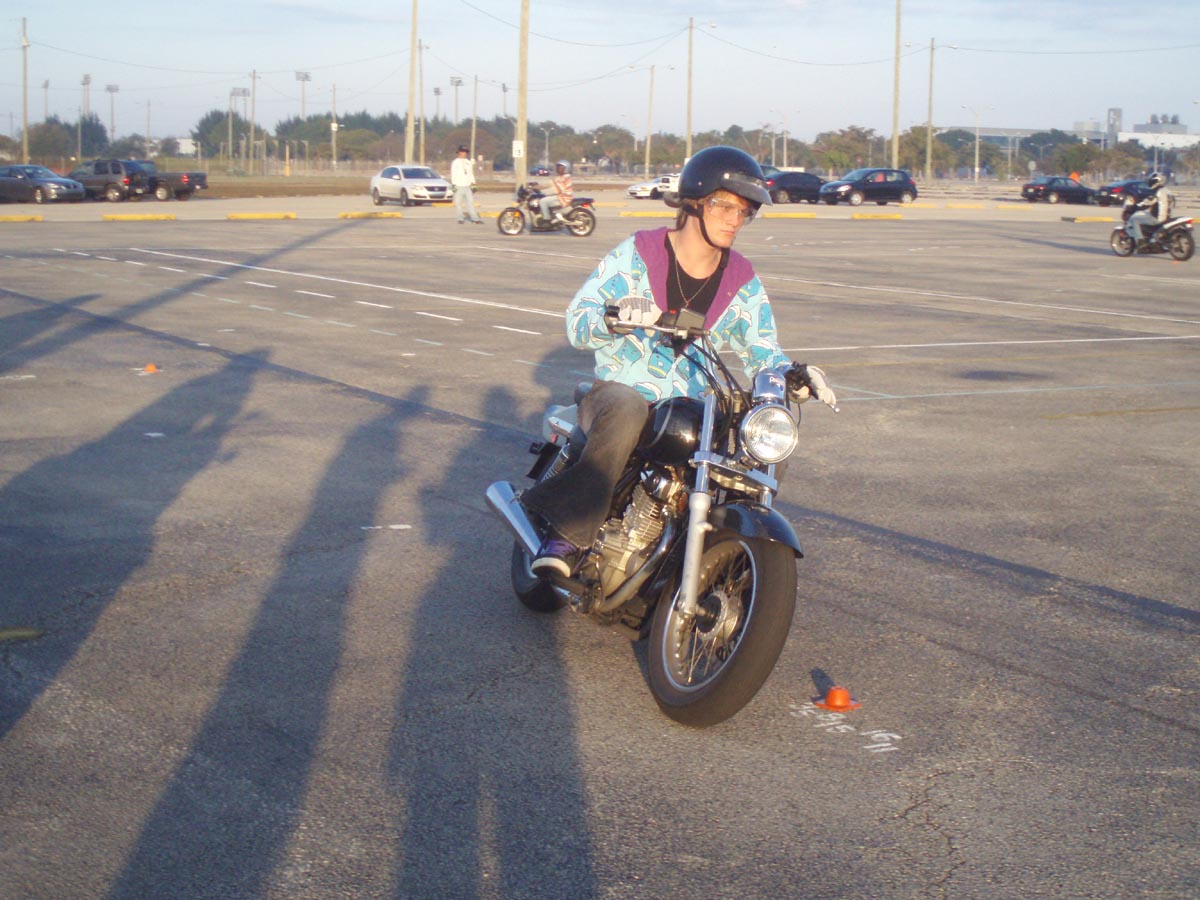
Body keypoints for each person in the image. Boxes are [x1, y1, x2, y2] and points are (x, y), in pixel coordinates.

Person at [520, 145, 836, 578]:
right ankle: (567, 534)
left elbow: (761, 349)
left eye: (744, 211)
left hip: (692, 408)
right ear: (693, 202)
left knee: (759, 429)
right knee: (628, 407)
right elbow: (578, 323)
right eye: (724, 205)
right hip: (620, 392)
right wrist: (613, 319)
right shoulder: (637, 255)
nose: (735, 218)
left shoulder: (741, 280)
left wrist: (793, 374)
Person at [1125, 172, 1172, 248]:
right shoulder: (1167, 191)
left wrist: (1134, 207)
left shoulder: (1157, 191)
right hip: (1167, 218)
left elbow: (1146, 203)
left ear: (1155, 181)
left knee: (1135, 219)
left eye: (1151, 181)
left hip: (1158, 218)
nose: (1150, 183)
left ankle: (1140, 241)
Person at [450, 145, 483, 224]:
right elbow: (453, 174)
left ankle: (475, 219)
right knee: (458, 204)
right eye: (463, 152)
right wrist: (453, 185)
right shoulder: (455, 162)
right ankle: (460, 219)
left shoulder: (468, 162)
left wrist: (473, 184)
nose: (464, 153)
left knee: (470, 203)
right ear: (459, 152)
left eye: (465, 152)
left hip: (467, 186)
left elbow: (471, 174)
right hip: (458, 185)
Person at [538, 159, 574, 224]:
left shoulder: (564, 178)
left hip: (563, 198)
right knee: (546, 199)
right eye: (558, 167)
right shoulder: (561, 177)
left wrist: (542, 192)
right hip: (561, 197)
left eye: (561, 168)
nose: (558, 169)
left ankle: (546, 220)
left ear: (566, 169)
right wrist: (538, 185)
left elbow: (555, 189)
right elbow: (550, 183)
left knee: (542, 201)